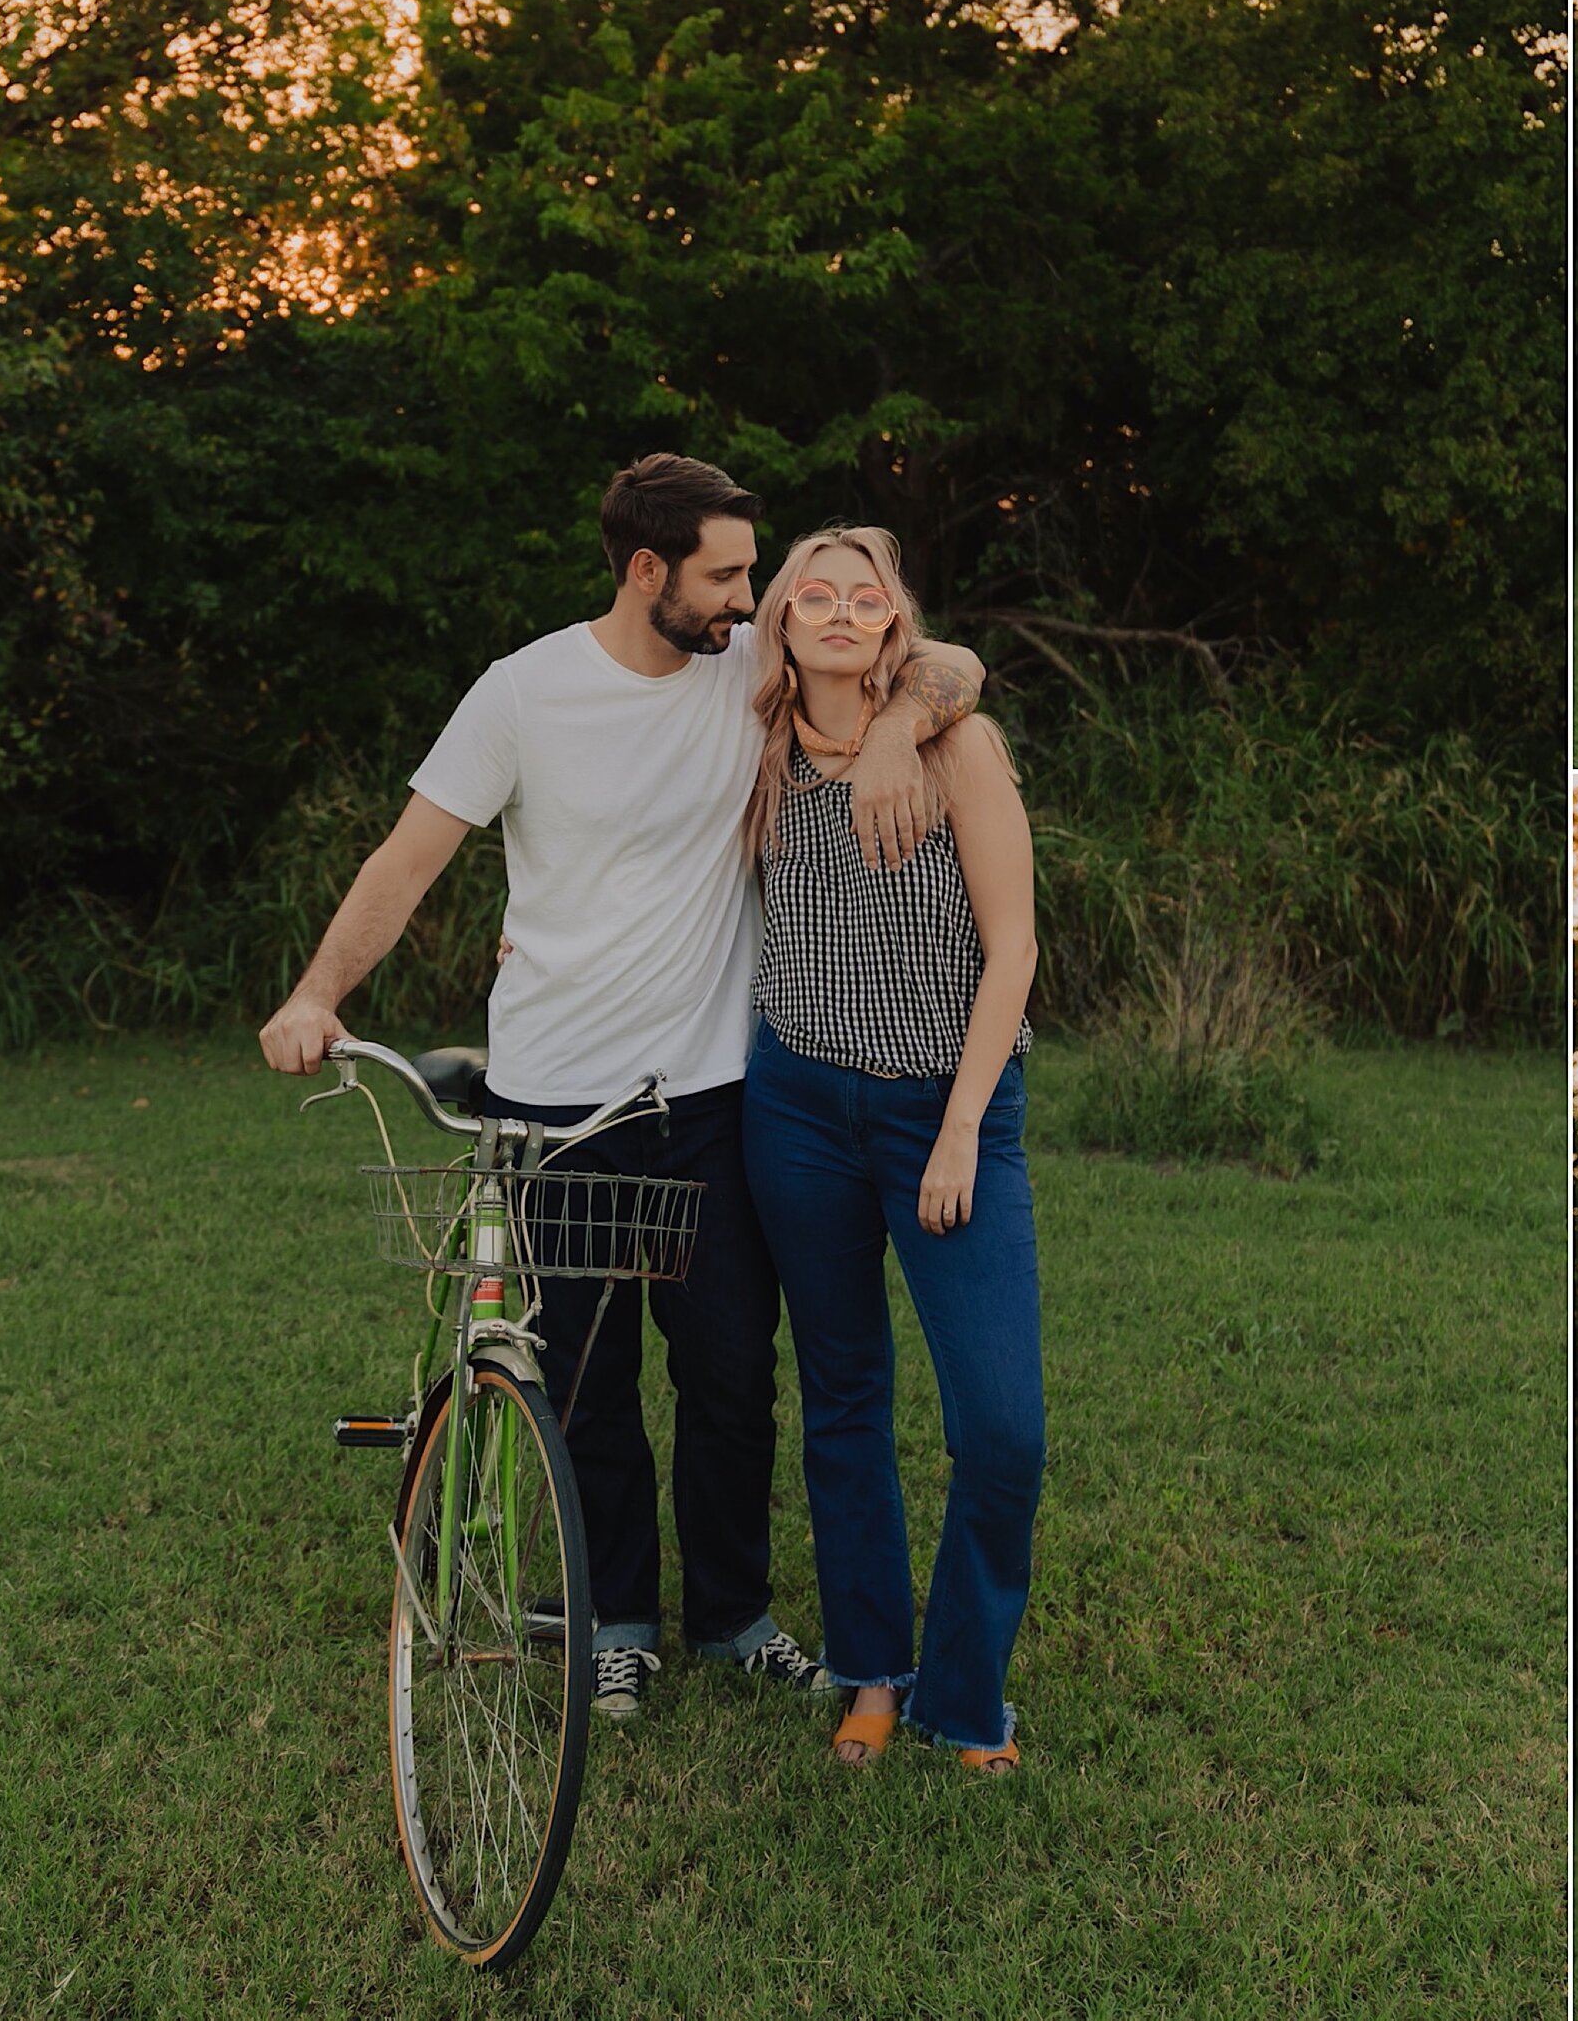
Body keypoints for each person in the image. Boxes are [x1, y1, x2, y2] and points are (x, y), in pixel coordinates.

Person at [258, 454, 987, 1723]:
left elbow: (950, 664)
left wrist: (892, 729)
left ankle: (735, 1613)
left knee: (728, 1374)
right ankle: (619, 1623)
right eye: (725, 575)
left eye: (751, 576)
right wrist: (319, 990)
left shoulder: (742, 680)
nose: (748, 598)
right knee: (584, 1385)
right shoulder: (523, 694)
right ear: (647, 570)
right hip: (550, 1103)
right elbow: (411, 854)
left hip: (713, 1097)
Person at [737, 526, 1043, 1773]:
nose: (841, 610)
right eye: (815, 592)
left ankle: (966, 1694)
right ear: (779, 620)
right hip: (796, 1106)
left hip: (944, 1109)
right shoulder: (750, 751)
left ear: (895, 624)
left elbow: (1013, 952)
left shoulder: (954, 737)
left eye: (868, 598)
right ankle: (871, 1668)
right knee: (844, 1397)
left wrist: (961, 1127)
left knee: (1002, 1430)